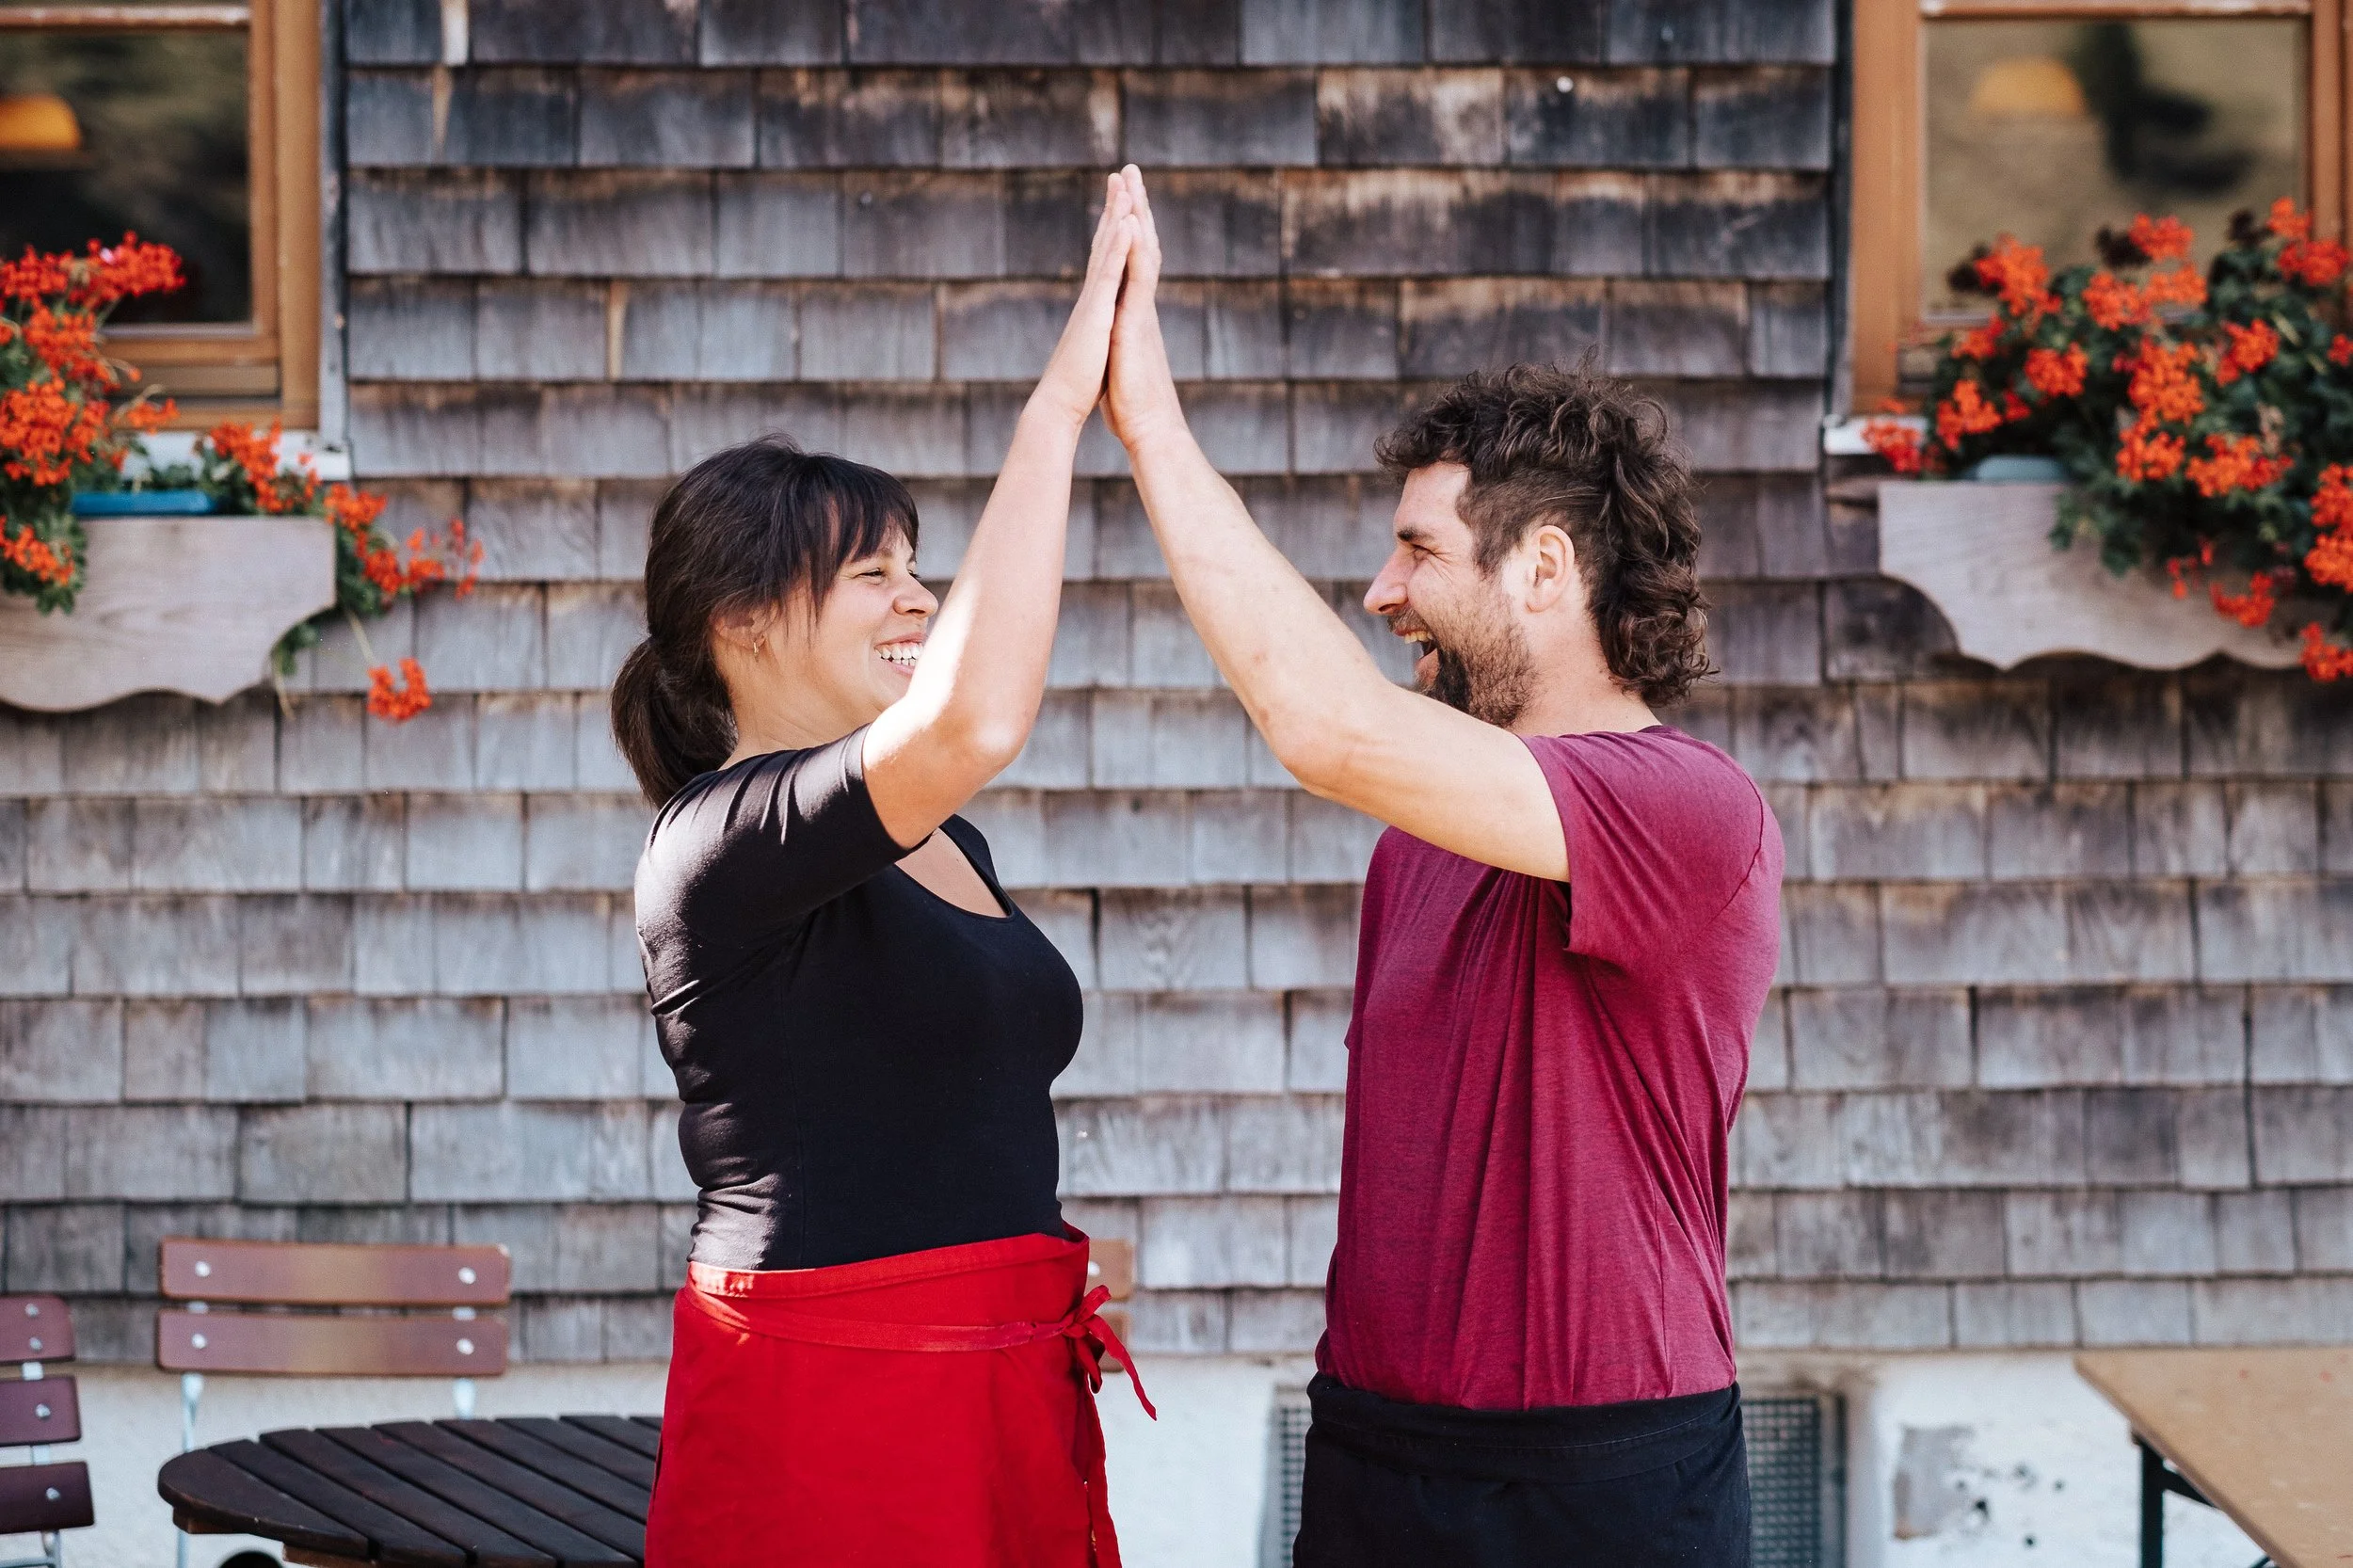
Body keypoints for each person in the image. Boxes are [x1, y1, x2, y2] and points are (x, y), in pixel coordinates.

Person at [1099, 167, 1783, 1566]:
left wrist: (1150, 423)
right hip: (1378, 1448)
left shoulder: (1690, 808)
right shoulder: (1420, 840)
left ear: (1546, 568)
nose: (1383, 590)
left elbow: (1326, 726)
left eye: (1419, 549)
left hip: (1598, 1473)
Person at [618, 174, 1153, 1568]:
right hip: (830, 1398)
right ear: (742, 621)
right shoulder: (713, 843)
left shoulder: (946, 839)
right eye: (874, 573)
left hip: (1003, 1376)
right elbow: (974, 717)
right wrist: (1062, 406)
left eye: (918, 564)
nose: (919, 597)